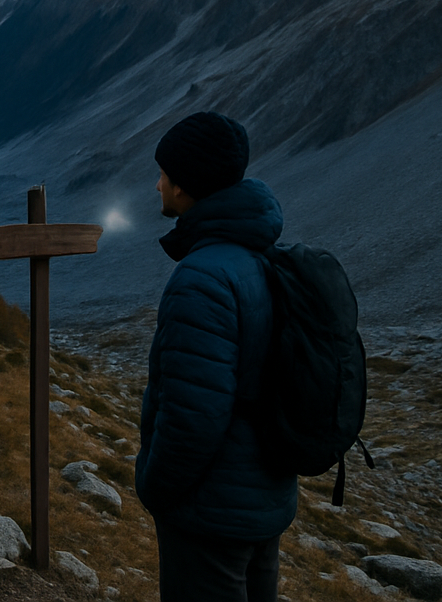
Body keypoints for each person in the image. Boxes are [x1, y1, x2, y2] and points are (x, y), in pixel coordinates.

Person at [135, 111, 297, 602]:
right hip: (262, 499)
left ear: (185, 186)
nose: (157, 183)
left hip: (209, 515)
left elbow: (193, 416)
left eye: (164, 173)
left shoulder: (202, 278)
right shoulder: (261, 257)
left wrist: (154, 487)